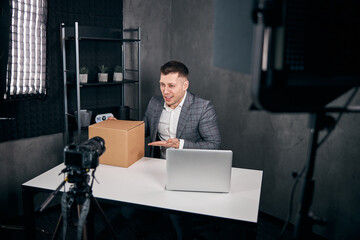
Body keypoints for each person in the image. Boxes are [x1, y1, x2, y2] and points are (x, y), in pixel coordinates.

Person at [144, 60, 221, 158]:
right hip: (158, 164)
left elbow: (214, 145)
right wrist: (121, 125)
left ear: (185, 86)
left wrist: (180, 145)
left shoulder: (203, 108)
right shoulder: (154, 103)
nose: (165, 91)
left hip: (189, 166)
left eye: (171, 86)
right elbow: (141, 131)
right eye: (162, 84)